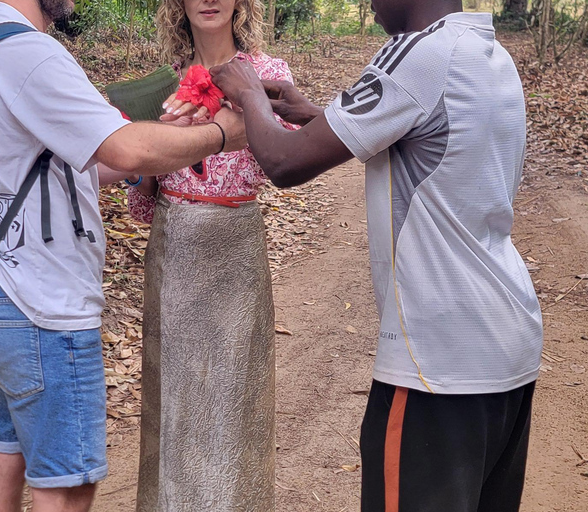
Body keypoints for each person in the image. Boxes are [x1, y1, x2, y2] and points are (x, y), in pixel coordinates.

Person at [211, 1, 543, 511]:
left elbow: (283, 161)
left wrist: (250, 92)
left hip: (438, 361)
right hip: (506, 347)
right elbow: (426, 138)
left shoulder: (416, 53)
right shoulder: (487, 53)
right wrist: (313, 112)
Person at [0, 1, 246, 511]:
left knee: (1, 465)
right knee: (66, 487)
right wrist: (223, 134)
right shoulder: (31, 55)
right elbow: (127, 151)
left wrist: (172, 137)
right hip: (42, 306)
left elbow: (82, 162)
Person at [110, 0, 296, 510]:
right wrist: (149, 152)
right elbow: (144, 196)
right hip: (174, 246)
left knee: (235, 393)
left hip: (235, 243)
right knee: (172, 394)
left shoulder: (267, 74)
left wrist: (236, 119)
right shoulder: (161, 84)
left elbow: (284, 158)